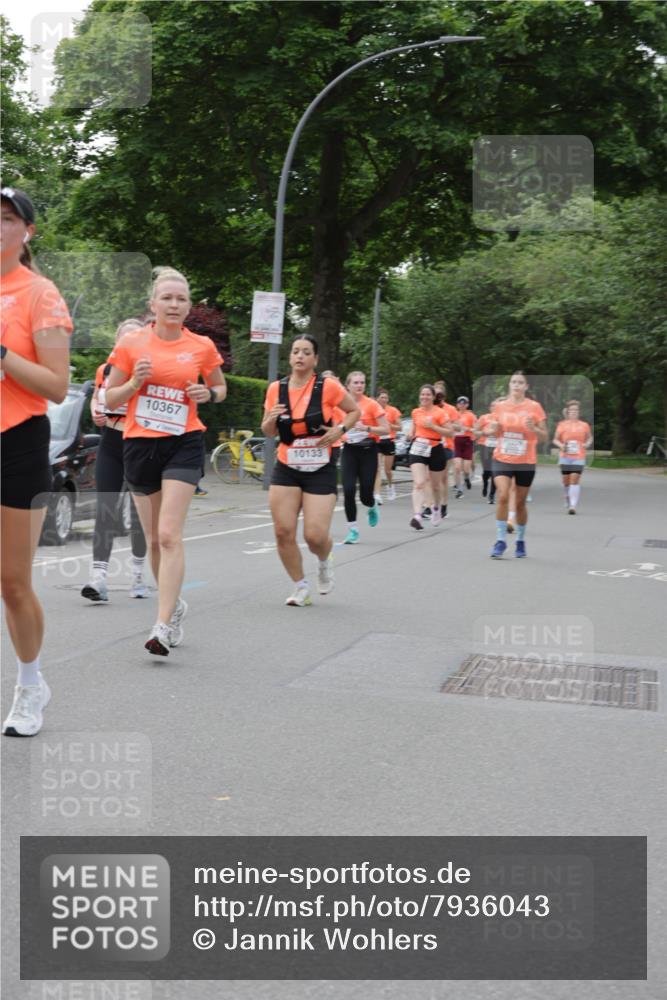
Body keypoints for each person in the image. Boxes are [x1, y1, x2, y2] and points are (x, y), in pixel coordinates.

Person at [105, 266, 226, 655]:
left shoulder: (202, 346)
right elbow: (109, 399)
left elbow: (220, 387)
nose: (174, 305)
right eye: (167, 298)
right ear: (152, 304)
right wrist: (134, 384)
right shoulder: (131, 344)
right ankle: (171, 607)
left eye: (182, 299)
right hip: (140, 444)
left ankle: (161, 625)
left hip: (184, 442)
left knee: (170, 534)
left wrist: (209, 394)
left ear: (189, 306)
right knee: (154, 538)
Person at [1, 187, 73, 736]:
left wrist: (3, 356)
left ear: (27, 232)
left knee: (12, 582)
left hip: (18, 442)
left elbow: (55, 386)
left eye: (7, 220)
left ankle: (30, 685)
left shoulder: (40, 294)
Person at [262, 338, 359, 605]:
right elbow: (268, 431)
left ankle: (324, 559)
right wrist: (270, 419)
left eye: (306, 352)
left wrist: (339, 430)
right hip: (287, 465)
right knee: (283, 531)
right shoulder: (275, 389)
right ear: (290, 357)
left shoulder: (327, 386)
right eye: (295, 352)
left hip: (320, 467)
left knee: (314, 536)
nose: (300, 356)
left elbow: (353, 411)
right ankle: (300, 586)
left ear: (315, 359)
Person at [81, 318, 148, 603]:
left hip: (140, 445)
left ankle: (138, 575)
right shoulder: (106, 369)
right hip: (110, 442)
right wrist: (96, 410)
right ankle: (99, 578)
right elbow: (99, 397)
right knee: (105, 508)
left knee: (137, 516)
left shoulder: (148, 371)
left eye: (135, 339)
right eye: (124, 339)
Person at [486, 372, 548, 558]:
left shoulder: (534, 407)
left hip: (526, 461)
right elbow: (490, 430)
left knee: (520, 503)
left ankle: (520, 541)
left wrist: (534, 428)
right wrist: (493, 429)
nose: (516, 385)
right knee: (503, 495)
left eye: (520, 382)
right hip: (502, 458)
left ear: (526, 386)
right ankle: (500, 540)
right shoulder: (500, 407)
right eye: (514, 382)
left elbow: (545, 436)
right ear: (509, 385)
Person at [340, 372, 389, 544]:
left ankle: (371, 505)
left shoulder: (372, 405)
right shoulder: (340, 405)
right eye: (356, 382)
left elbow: (386, 429)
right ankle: (352, 530)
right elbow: (333, 426)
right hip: (349, 450)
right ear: (348, 385)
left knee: (365, 494)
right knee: (348, 490)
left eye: (362, 382)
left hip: (368, 450)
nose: (359, 385)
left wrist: (366, 428)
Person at [408, 384, 454, 530]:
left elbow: (450, 433)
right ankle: (417, 515)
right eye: (422, 394)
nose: (424, 397)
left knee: (435, 486)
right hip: (418, 448)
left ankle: (436, 509)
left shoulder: (440, 413)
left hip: (435, 449)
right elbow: (413, 429)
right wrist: (410, 435)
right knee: (419, 483)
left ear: (434, 397)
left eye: (428, 394)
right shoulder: (415, 412)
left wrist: (433, 426)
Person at [553, 400, 592, 514]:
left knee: (574, 480)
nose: (574, 412)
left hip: (579, 456)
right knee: (566, 482)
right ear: (568, 412)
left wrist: (587, 443)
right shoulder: (562, 425)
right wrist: (561, 445)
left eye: (576, 410)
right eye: (572, 410)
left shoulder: (584, 425)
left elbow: (590, 437)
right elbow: (555, 439)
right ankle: (567, 496)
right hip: (565, 456)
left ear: (579, 412)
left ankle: (573, 506)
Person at [433, 380, 458, 518]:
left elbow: (457, 427)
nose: (438, 397)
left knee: (442, 478)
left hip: (446, 446)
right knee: (429, 479)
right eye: (435, 394)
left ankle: (443, 506)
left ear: (444, 396)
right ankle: (430, 506)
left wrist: (448, 426)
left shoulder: (451, 410)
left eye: (440, 394)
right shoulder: (427, 408)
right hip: (429, 446)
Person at [373, 388, 402, 502]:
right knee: (377, 469)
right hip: (378, 440)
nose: (384, 400)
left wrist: (390, 426)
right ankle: (378, 495)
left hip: (389, 441)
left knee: (387, 470)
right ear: (377, 399)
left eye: (386, 397)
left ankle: (391, 486)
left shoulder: (393, 410)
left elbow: (400, 427)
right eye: (382, 397)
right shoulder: (374, 410)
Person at [473, 400, 501, 504]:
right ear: (490, 407)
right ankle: (485, 484)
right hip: (484, 445)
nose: (495, 408)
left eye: (497, 406)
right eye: (493, 405)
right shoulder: (484, 417)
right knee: (487, 471)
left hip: (497, 446)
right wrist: (480, 433)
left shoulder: (502, 418)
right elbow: (475, 430)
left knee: (494, 471)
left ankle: (492, 494)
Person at [453, 395, 477, 498]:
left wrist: (469, 429)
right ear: (457, 404)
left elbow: (475, 428)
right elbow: (450, 426)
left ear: (467, 405)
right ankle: (459, 489)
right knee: (457, 467)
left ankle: (466, 477)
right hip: (456, 441)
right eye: (460, 403)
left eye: (464, 403)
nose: (461, 405)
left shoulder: (471, 415)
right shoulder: (454, 415)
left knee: (466, 468)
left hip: (467, 441)